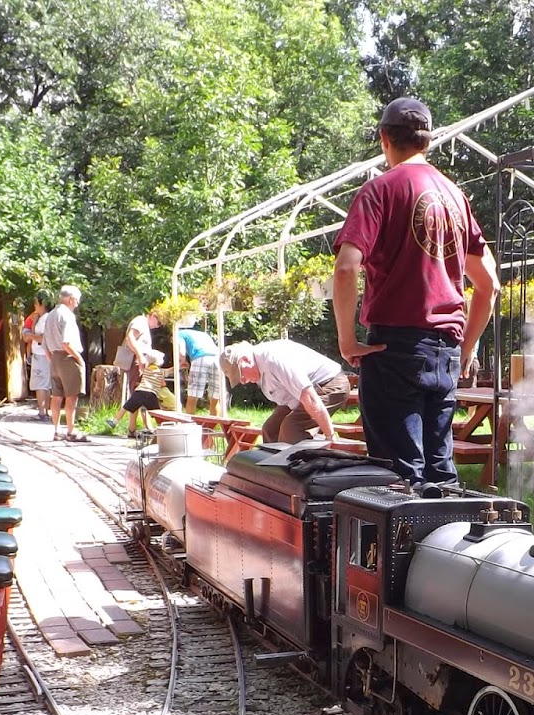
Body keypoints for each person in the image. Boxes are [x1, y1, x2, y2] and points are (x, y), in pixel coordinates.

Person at [333, 96, 499, 483]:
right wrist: (467, 347)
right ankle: (452, 541)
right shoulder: (456, 197)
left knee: (398, 478)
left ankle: (407, 544)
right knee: (440, 473)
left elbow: (345, 269)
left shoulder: (379, 191)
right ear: (427, 141)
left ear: (383, 140)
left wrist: (347, 341)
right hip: (444, 352)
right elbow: (489, 284)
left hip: (394, 351)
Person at [218, 339, 349, 444]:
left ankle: (306, 472)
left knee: (292, 428)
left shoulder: (274, 360)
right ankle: (274, 473)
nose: (243, 381)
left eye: (241, 374)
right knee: (270, 429)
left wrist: (330, 436)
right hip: (302, 396)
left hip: (330, 383)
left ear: (246, 360)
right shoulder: (258, 367)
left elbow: (310, 397)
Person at [44, 284, 88, 442]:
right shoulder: (67, 316)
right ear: (71, 299)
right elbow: (66, 342)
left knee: (56, 396)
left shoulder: (50, 315)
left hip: (54, 358)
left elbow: (44, 343)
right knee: (71, 396)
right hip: (68, 358)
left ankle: (56, 430)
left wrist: (52, 359)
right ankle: (71, 430)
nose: (77, 303)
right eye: (77, 300)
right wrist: (79, 358)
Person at [113, 310, 160, 403]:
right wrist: (140, 357)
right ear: (153, 316)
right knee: (136, 393)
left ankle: (133, 417)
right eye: (158, 323)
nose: (158, 326)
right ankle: (126, 416)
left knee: (138, 394)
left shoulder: (144, 324)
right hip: (134, 361)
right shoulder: (141, 321)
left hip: (137, 361)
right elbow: (130, 338)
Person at [177, 320, 221, 416]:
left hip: (201, 358)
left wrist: (180, 364)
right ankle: (212, 427)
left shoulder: (179, 334)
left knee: (192, 396)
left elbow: (181, 354)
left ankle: (189, 425)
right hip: (217, 358)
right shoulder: (204, 335)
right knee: (215, 398)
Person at [122, 350, 170, 436]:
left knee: (140, 403)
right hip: (141, 370)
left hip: (144, 369)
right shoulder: (155, 369)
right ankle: (156, 428)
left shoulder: (150, 367)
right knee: (141, 403)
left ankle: (143, 427)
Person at [23, 293, 52, 420]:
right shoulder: (46, 318)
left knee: (40, 384)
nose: (34, 306)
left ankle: (42, 412)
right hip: (46, 355)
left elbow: (42, 338)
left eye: (36, 303)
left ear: (42, 304)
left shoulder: (44, 319)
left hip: (41, 354)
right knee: (46, 384)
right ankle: (45, 411)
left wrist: (30, 336)